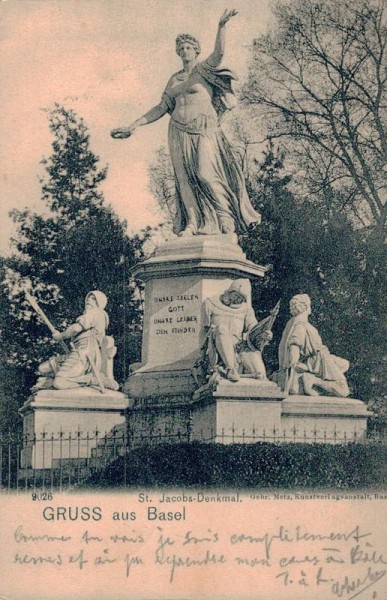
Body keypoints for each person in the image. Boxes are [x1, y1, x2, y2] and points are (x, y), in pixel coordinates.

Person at [111, 10, 260, 237]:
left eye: (188, 47)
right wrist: (134, 125)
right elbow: (161, 107)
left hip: (204, 129)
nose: (183, 51)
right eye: (180, 48)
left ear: (196, 50)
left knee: (204, 173)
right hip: (178, 131)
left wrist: (222, 26)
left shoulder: (204, 70)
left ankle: (224, 218)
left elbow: (219, 53)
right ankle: (192, 223)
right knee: (184, 179)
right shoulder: (174, 78)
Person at [34, 291, 118, 391]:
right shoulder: (91, 314)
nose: (89, 300)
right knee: (43, 369)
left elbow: (76, 329)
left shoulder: (97, 312)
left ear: (100, 303)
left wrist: (60, 336)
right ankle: (62, 380)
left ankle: (92, 380)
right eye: (89, 298)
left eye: (94, 299)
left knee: (59, 383)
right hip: (77, 352)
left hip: (85, 353)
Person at [273, 294, 350, 397]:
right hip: (319, 360)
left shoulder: (298, 323)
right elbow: (294, 345)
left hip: (320, 358)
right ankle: (314, 380)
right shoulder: (300, 325)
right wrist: (294, 364)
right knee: (343, 391)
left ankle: (315, 380)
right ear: (305, 306)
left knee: (344, 364)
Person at [202, 280, 272, 382]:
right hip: (218, 344)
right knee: (222, 328)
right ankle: (230, 369)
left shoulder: (246, 309)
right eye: (236, 296)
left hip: (239, 346)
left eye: (240, 298)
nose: (237, 300)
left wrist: (264, 334)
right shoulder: (210, 303)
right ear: (230, 291)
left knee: (260, 375)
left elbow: (253, 327)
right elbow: (204, 330)